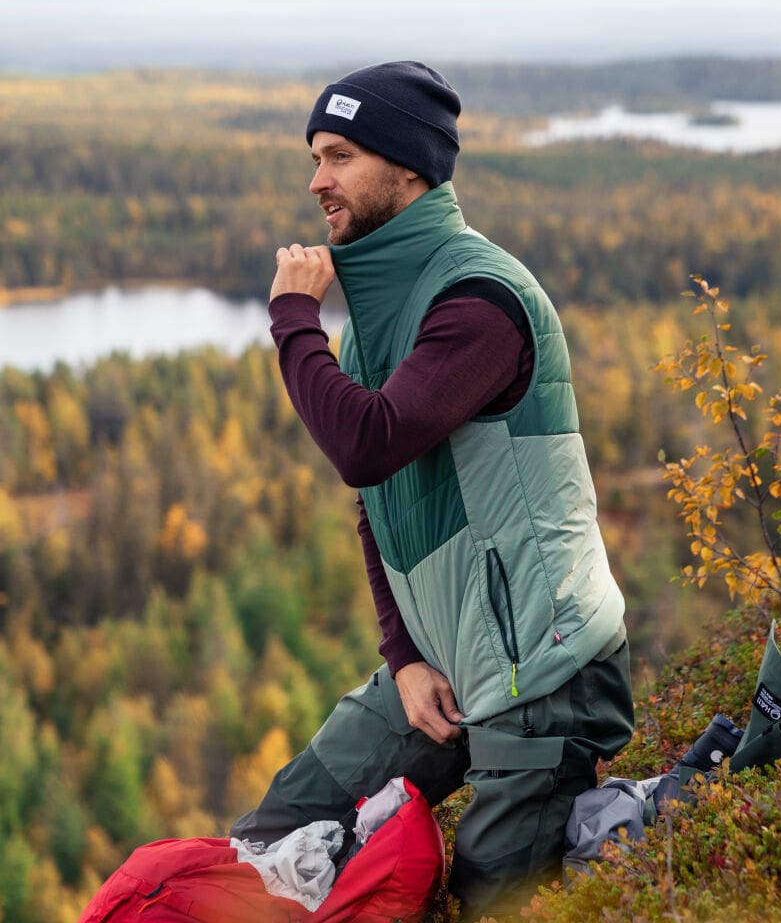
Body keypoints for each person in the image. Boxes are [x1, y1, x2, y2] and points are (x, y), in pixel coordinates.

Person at [230, 61, 634, 919]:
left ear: (408, 165)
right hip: (447, 658)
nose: (316, 181)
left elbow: (364, 447)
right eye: (314, 158)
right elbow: (378, 504)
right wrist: (404, 657)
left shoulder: (477, 299)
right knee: (268, 839)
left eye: (338, 156)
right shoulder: (389, 306)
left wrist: (294, 319)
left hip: (542, 668)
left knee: (489, 901)